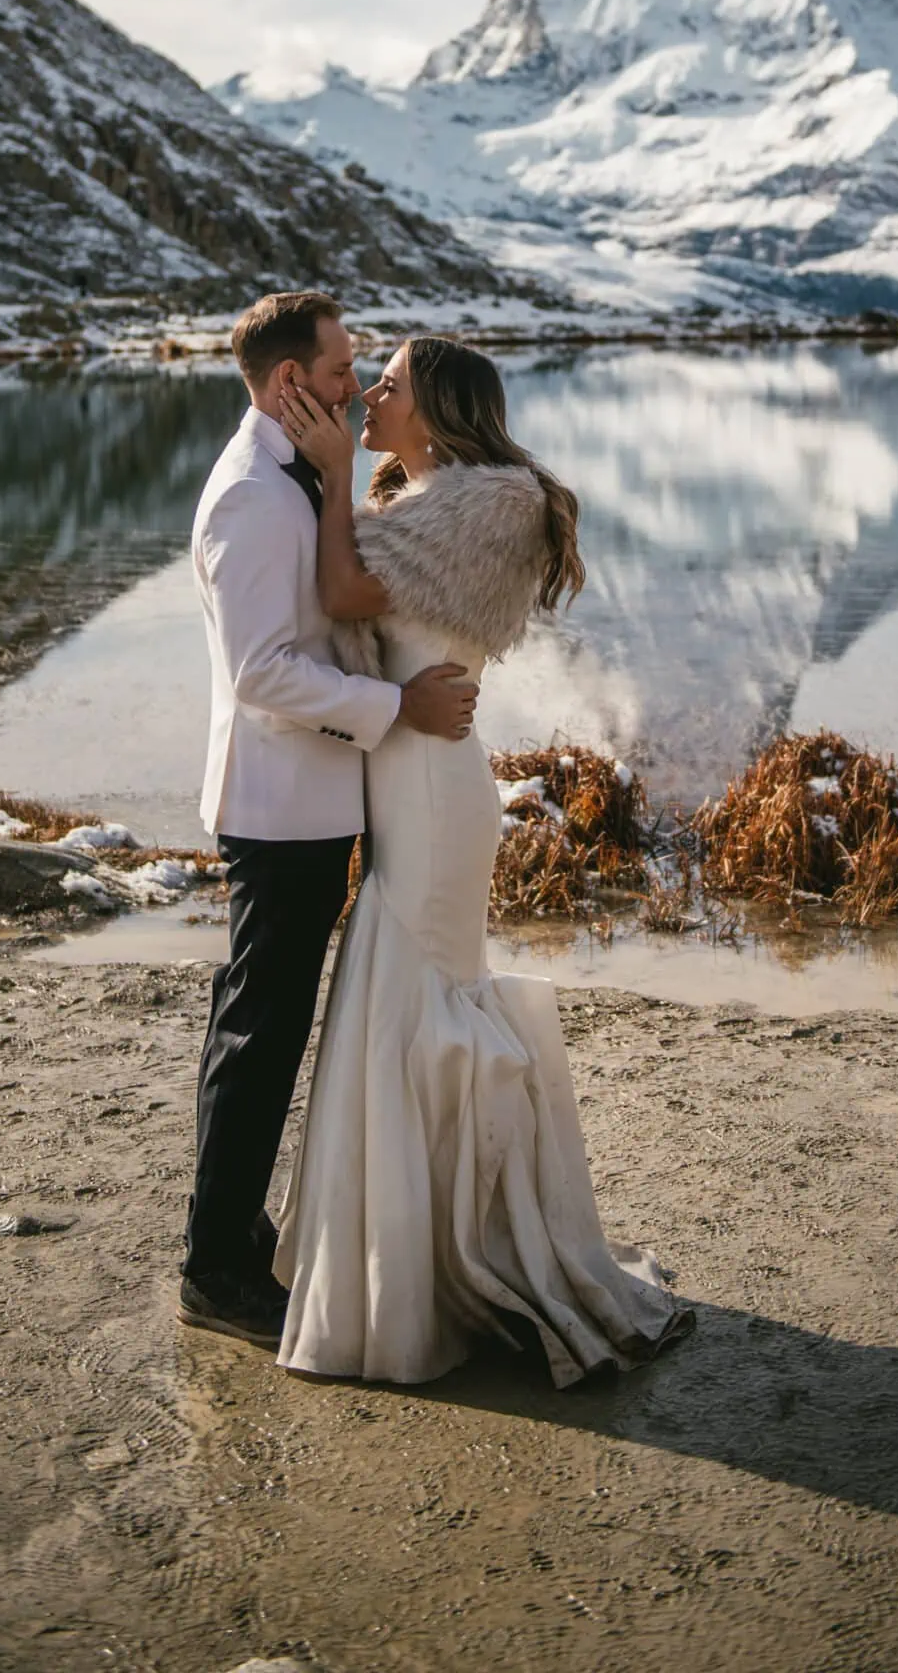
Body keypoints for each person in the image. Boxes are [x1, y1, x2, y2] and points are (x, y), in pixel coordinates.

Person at [271, 333, 692, 1386]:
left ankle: (453, 1262)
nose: (370, 392)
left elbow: (348, 593)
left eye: (392, 383)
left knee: (411, 991)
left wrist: (327, 481)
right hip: (414, 771)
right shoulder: (423, 499)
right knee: (406, 991)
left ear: (443, 405)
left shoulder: (484, 499)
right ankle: (416, 1253)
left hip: (432, 786)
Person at [181, 292, 480, 1348]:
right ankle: (214, 1267)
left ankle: (229, 1232)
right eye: (342, 366)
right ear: (284, 383)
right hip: (278, 808)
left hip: (311, 797)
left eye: (359, 367)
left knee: (262, 1026)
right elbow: (264, 672)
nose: (354, 386)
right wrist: (395, 707)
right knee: (260, 1034)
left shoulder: (292, 473)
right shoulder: (251, 498)